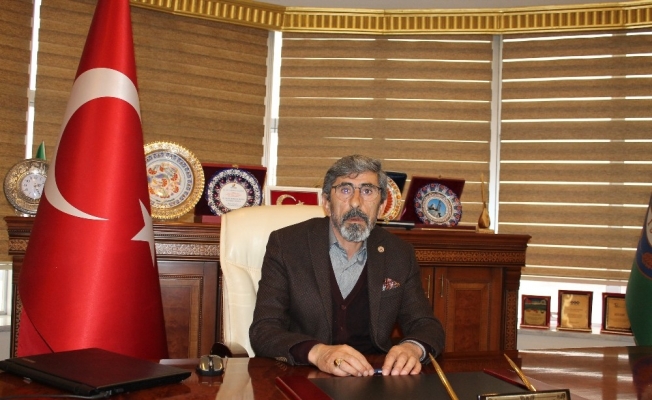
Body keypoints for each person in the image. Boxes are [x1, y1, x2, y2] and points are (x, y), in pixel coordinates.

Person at [249, 155, 445, 377]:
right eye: (345, 190)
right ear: (326, 203)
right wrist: (318, 353)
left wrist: (412, 348)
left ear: (381, 207)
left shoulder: (399, 254)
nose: (356, 202)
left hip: (373, 378)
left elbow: (426, 325)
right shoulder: (287, 245)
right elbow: (263, 330)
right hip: (304, 374)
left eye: (368, 191)